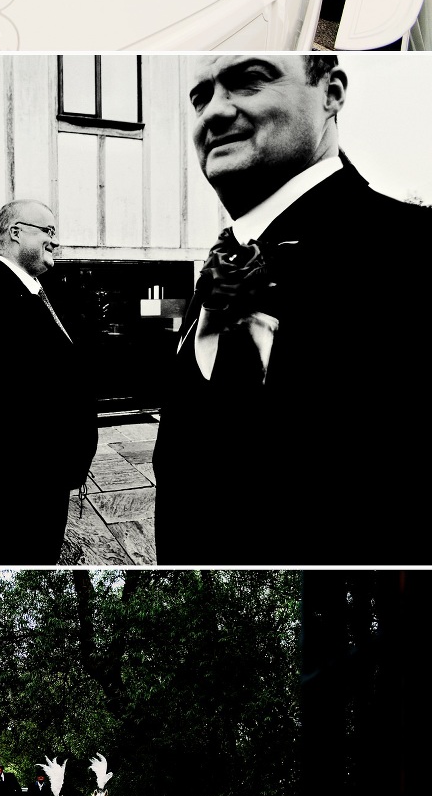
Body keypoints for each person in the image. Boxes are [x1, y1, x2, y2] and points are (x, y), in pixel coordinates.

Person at [153, 55, 432, 565]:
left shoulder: (419, 255)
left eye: (249, 81)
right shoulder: (218, 268)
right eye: (199, 97)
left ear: (331, 92)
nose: (212, 112)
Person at [0, 199, 98, 565]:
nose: (55, 241)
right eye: (48, 231)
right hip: (19, 490)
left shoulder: (31, 290)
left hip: (43, 481)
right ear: (16, 232)